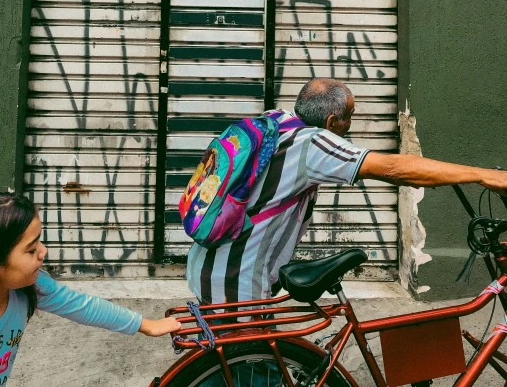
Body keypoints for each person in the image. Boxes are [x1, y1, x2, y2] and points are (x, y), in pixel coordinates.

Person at [187, 78, 507, 308]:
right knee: (250, 371)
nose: (351, 124)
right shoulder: (313, 144)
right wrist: (484, 176)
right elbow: (396, 168)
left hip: (208, 271)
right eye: (350, 117)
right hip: (237, 286)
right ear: (331, 122)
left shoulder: (276, 122)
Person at [0, 193, 181, 386]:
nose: (44, 252)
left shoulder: (27, 289)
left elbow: (81, 306)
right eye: (31, 249)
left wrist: (144, 324)